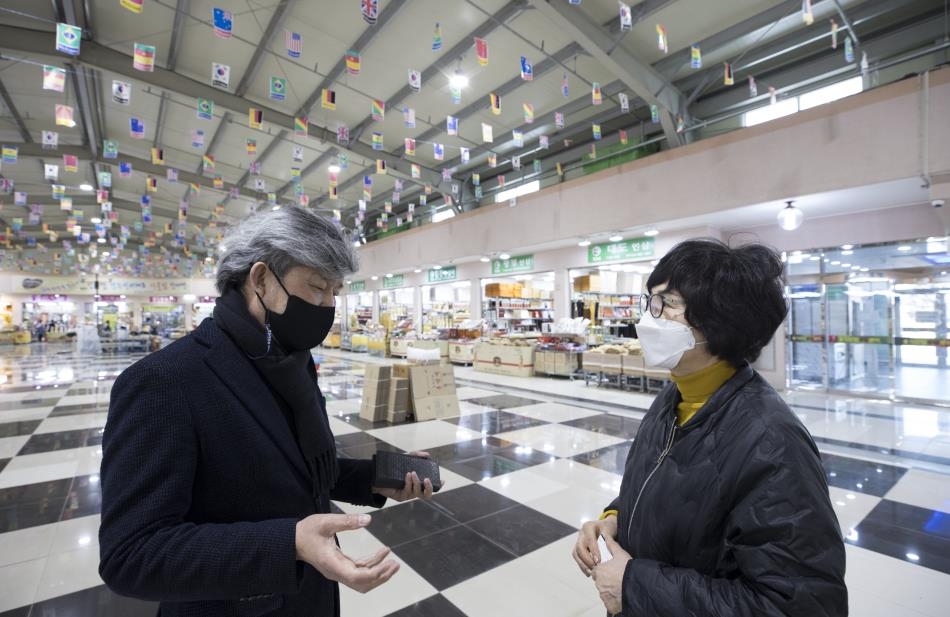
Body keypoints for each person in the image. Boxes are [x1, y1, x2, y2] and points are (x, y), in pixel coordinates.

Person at [99, 207, 436, 617]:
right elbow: (131, 554)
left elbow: (297, 470)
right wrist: (288, 542)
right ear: (260, 279)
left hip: (310, 600)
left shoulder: (293, 364)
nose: (328, 305)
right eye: (317, 287)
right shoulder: (165, 381)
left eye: (335, 291)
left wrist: (376, 479)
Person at [572, 239, 847, 616]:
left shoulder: (772, 443)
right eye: (651, 301)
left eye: (667, 303)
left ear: (721, 322)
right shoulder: (674, 397)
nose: (650, 317)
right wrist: (614, 519)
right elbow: (668, 486)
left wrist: (635, 585)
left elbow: (798, 605)